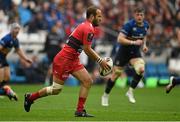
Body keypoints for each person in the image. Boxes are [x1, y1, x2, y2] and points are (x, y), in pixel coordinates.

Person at [24, 6, 110, 117]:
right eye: (99, 16)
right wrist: (100, 60)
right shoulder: (88, 28)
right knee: (56, 89)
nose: (101, 19)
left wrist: (99, 60)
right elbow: (87, 49)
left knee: (87, 81)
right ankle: (30, 97)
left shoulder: (86, 26)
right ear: (92, 16)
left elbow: (85, 48)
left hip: (73, 60)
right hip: (64, 60)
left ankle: (79, 110)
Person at [101, 7, 149, 106]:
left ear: (143, 16)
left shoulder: (146, 25)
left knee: (141, 69)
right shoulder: (129, 25)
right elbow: (120, 39)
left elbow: (144, 35)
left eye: (141, 15)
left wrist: (144, 45)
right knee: (116, 75)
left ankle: (130, 92)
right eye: (137, 14)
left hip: (135, 53)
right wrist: (134, 42)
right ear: (134, 15)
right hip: (123, 52)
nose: (139, 16)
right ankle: (105, 95)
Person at [0, 23, 32, 100]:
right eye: (15, 28)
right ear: (11, 30)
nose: (17, 30)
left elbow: (18, 50)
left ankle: (3, 91)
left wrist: (25, 59)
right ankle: (5, 91)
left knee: (7, 77)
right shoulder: (6, 38)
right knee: (0, 78)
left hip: (3, 58)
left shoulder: (15, 40)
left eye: (18, 29)